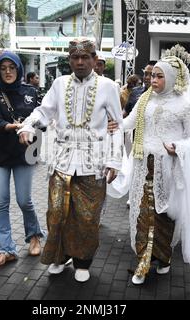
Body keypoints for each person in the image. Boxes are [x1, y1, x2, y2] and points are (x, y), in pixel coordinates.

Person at [17, 38, 123, 283]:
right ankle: (60, 256)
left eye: (85, 57)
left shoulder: (107, 86)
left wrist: (115, 160)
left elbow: (116, 126)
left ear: (95, 59)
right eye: (75, 57)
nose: (80, 62)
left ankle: (82, 261)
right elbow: (44, 111)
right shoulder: (59, 83)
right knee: (57, 212)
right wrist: (27, 126)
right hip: (62, 160)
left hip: (92, 161)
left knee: (86, 216)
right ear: (69, 60)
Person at [119, 56, 190, 285]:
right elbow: (129, 123)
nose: (153, 80)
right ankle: (143, 261)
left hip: (169, 167)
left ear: (172, 78)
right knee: (143, 212)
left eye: (159, 76)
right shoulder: (145, 99)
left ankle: (163, 258)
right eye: (151, 75)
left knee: (164, 215)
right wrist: (112, 123)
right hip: (143, 163)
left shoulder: (184, 104)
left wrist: (180, 147)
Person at [0, 51, 46, 267]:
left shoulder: (31, 91)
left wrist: (35, 127)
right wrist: (17, 127)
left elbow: (43, 120)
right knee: (1, 202)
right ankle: (6, 249)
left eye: (12, 67)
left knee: (23, 200)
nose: (8, 72)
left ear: (18, 68)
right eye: (3, 68)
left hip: (24, 154)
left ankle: (35, 235)